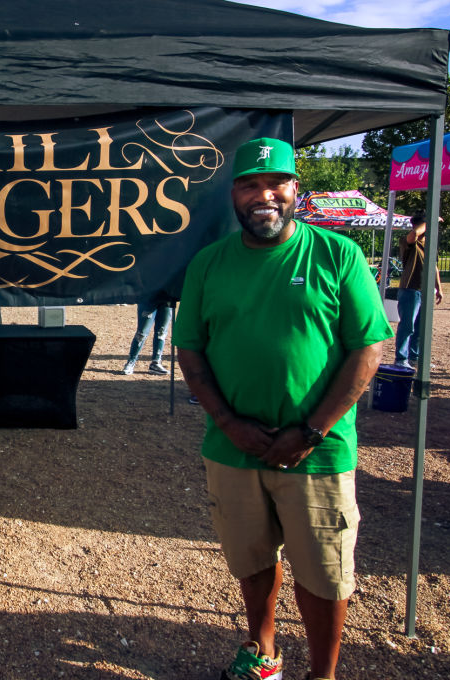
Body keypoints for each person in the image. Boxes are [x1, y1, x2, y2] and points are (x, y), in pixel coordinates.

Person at [173, 137, 392, 680]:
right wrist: (229, 423)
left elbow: (369, 348)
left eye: (275, 183)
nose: (263, 194)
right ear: (233, 195)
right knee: (250, 559)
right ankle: (263, 651)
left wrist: (312, 431)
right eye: (249, 184)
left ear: (296, 189)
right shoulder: (208, 264)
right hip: (233, 448)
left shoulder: (337, 255)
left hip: (318, 451)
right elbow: (190, 350)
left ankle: (324, 675)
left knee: (323, 572)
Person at [394, 209, 443, 370]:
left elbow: (434, 267)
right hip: (410, 289)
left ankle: (415, 357)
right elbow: (414, 234)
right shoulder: (407, 241)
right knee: (408, 325)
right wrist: (429, 221)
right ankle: (401, 358)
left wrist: (439, 288)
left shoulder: (429, 243)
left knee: (421, 327)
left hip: (426, 290)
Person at [121, 295, 173, 375]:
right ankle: (131, 361)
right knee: (142, 333)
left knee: (161, 333)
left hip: (167, 298)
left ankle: (156, 363)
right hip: (148, 297)